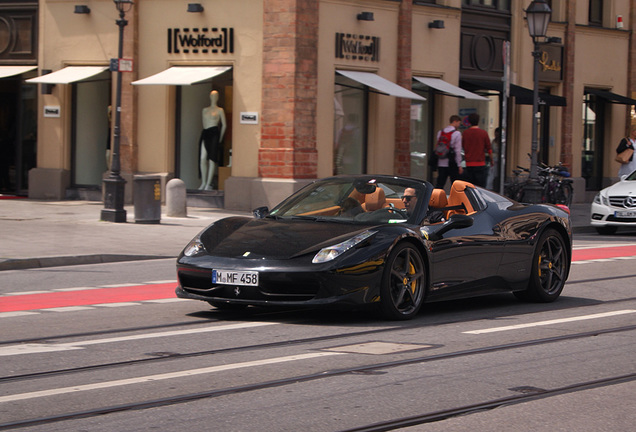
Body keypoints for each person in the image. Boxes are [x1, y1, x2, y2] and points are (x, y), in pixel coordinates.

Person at [199, 90, 227, 191]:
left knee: (212, 159)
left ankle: (208, 183)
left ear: (218, 97)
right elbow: (203, 122)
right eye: (212, 95)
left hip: (214, 133)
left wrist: (220, 138)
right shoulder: (204, 110)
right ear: (210, 96)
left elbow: (224, 125)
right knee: (202, 158)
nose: (214, 97)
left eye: (216, 95)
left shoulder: (220, 110)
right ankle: (203, 182)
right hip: (206, 133)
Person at [462, 113, 492, 187]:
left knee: (470, 186)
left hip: (469, 163)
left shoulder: (465, 133)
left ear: (469, 121)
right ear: (478, 121)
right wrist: (491, 160)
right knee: (480, 186)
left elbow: (463, 145)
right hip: (480, 163)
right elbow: (489, 148)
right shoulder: (483, 133)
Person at [435, 115, 464, 189]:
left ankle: (436, 198)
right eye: (458, 123)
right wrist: (459, 165)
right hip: (452, 162)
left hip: (441, 162)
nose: (458, 125)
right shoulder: (457, 133)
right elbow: (457, 150)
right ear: (455, 121)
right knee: (455, 185)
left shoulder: (440, 132)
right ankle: (455, 200)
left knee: (440, 184)